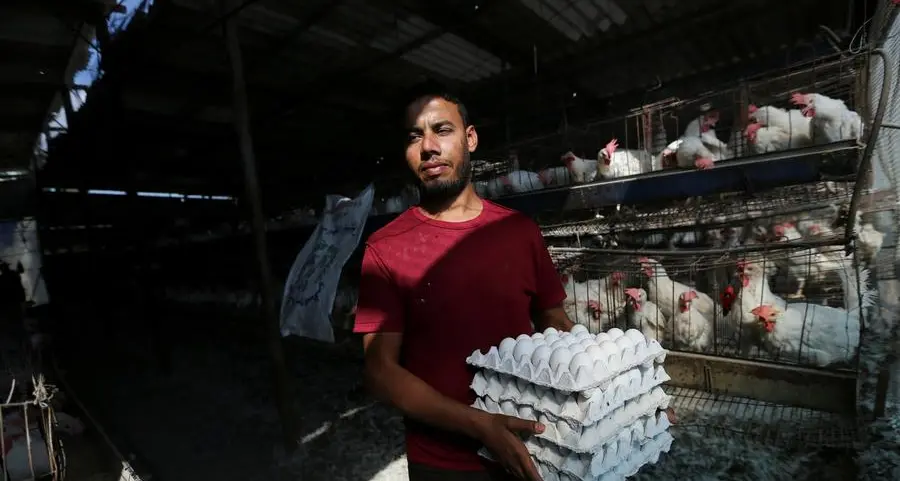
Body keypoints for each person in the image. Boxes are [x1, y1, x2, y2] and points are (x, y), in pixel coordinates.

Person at [352, 86, 574, 481]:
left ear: (470, 138)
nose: (428, 147)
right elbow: (379, 370)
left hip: (533, 446)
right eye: (414, 136)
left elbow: (553, 319)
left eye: (442, 130)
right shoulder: (386, 247)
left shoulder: (519, 231)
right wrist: (479, 424)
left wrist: (616, 392)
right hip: (443, 463)